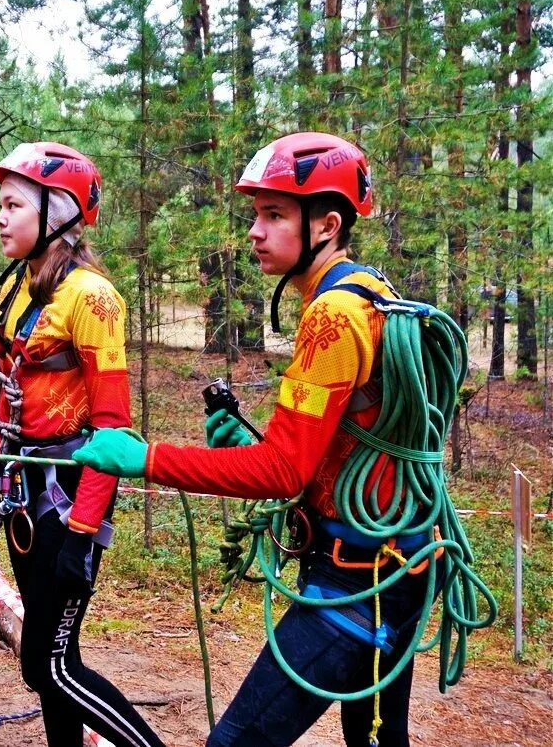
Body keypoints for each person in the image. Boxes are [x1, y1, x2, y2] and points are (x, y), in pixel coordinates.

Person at [73, 132, 436, 746]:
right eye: (255, 215)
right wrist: (247, 439)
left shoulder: (333, 314)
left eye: (273, 215)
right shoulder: (375, 293)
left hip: (359, 578)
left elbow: (283, 473)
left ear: (325, 224)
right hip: (403, 562)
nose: (255, 231)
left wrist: (145, 459)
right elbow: (346, 443)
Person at [0, 142, 168, 747]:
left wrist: (82, 533)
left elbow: (113, 428)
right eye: (0, 204)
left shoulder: (92, 297)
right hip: (19, 489)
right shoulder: (17, 289)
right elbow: (4, 401)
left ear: (60, 212)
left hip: (72, 497)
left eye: (13, 205)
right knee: (46, 666)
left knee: (53, 662)